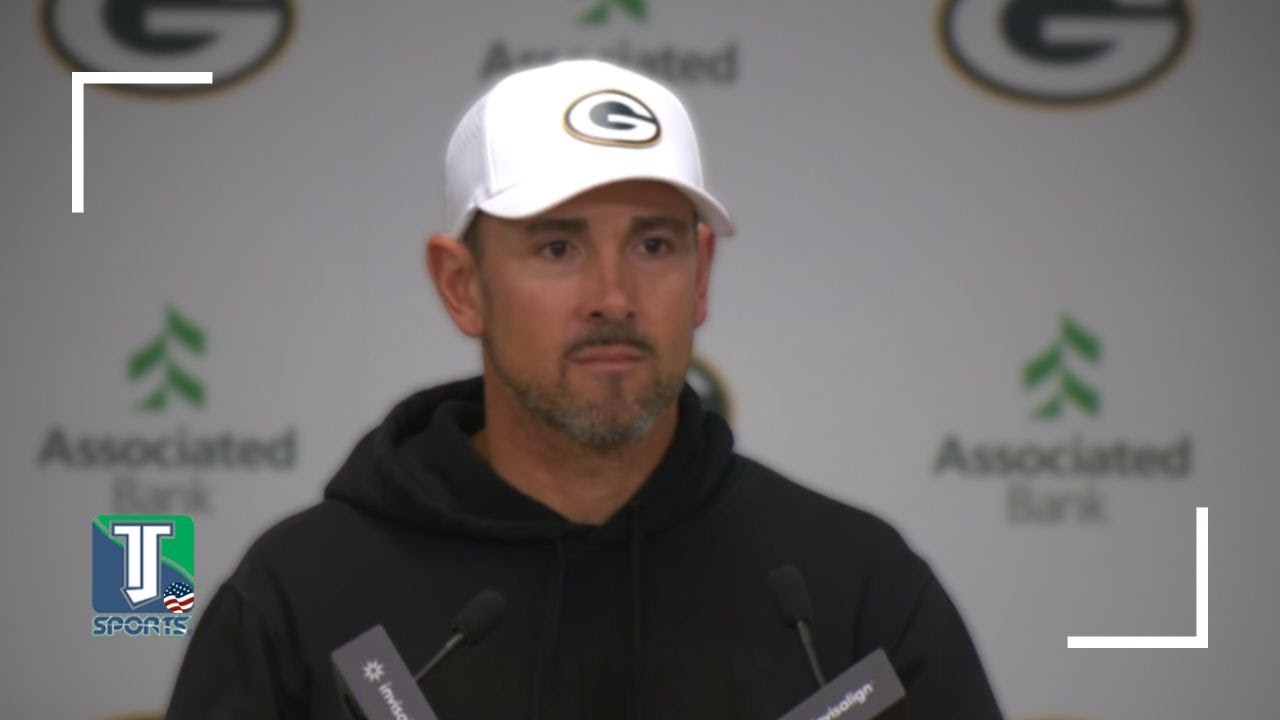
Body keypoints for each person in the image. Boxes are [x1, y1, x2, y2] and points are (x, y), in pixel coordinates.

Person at [166, 58, 1003, 720]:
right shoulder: (304, 595)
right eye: (558, 248)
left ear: (702, 274)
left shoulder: (849, 594)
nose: (613, 296)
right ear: (462, 285)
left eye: (653, 246)